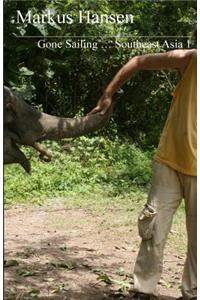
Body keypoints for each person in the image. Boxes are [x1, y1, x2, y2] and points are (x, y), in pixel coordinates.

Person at [90, 48, 197, 300]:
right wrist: (107, 94)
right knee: (153, 225)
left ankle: (192, 292)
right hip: (169, 160)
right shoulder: (190, 59)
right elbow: (138, 61)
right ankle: (143, 290)